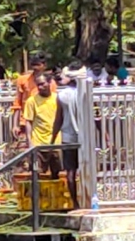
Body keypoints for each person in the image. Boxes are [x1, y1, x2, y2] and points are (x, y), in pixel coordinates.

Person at [51, 62, 85, 208]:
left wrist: (52, 138)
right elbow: (95, 118)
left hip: (68, 137)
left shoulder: (62, 95)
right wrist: (105, 136)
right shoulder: (85, 93)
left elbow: (58, 119)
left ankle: (75, 203)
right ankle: (89, 200)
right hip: (85, 138)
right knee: (87, 169)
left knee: (70, 172)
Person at [24, 74, 61, 180]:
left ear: (50, 83)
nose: (40, 87)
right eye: (38, 85)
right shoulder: (32, 101)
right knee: (36, 172)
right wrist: (29, 141)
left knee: (56, 172)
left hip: (55, 141)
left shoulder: (57, 98)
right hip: (38, 141)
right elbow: (28, 122)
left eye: (42, 84)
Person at [13, 53, 57, 139]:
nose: (35, 68)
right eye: (33, 65)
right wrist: (15, 125)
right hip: (26, 120)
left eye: (38, 65)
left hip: (45, 122)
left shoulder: (51, 83)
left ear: (44, 65)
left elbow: (53, 103)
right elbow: (17, 104)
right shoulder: (23, 80)